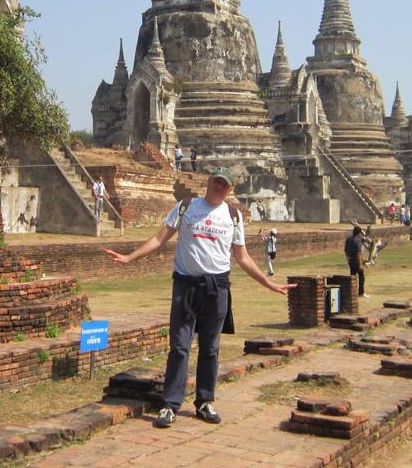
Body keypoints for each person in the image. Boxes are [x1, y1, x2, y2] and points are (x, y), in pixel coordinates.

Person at [105, 169, 294, 428]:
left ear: (230, 190)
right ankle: (170, 405)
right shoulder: (185, 207)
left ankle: (205, 401)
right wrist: (129, 257)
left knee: (210, 348)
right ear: (208, 183)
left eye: (224, 185)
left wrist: (268, 283)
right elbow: (160, 238)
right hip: (186, 285)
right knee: (180, 347)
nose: (219, 187)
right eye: (216, 182)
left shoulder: (233, 215)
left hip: (217, 288)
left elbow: (242, 257)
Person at [345, 226, 369, 298]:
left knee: (353, 277)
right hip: (356, 261)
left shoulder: (348, 239)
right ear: (359, 233)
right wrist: (361, 265)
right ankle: (361, 293)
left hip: (351, 261)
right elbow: (358, 253)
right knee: (361, 278)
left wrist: (348, 259)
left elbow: (345, 250)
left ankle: (352, 292)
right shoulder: (358, 240)